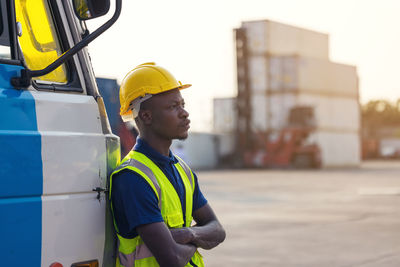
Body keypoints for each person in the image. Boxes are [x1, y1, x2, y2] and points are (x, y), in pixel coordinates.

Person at [109, 62, 226, 267]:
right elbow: (171, 259)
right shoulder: (132, 178)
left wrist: (187, 233)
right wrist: (199, 239)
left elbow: (218, 231)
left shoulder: (182, 170)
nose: (184, 113)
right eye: (173, 107)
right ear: (146, 116)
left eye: (182, 104)